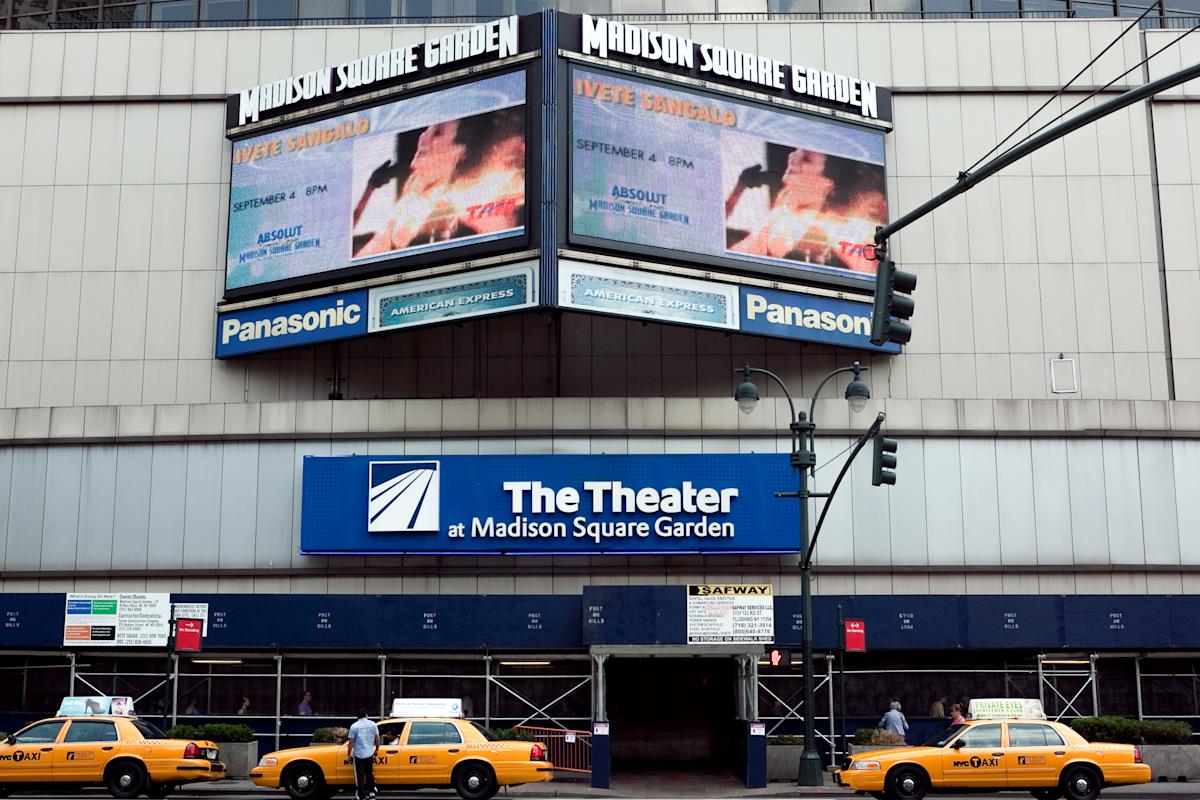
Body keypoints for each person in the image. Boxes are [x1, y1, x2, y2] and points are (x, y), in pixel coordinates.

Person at [346, 709, 380, 800]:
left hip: (359, 755)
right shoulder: (373, 724)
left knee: (359, 776)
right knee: (370, 773)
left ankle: (361, 796)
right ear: (366, 715)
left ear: (357, 717)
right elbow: (377, 738)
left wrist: (348, 754)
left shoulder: (354, 726)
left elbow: (351, 742)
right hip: (369, 753)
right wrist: (377, 749)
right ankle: (372, 793)